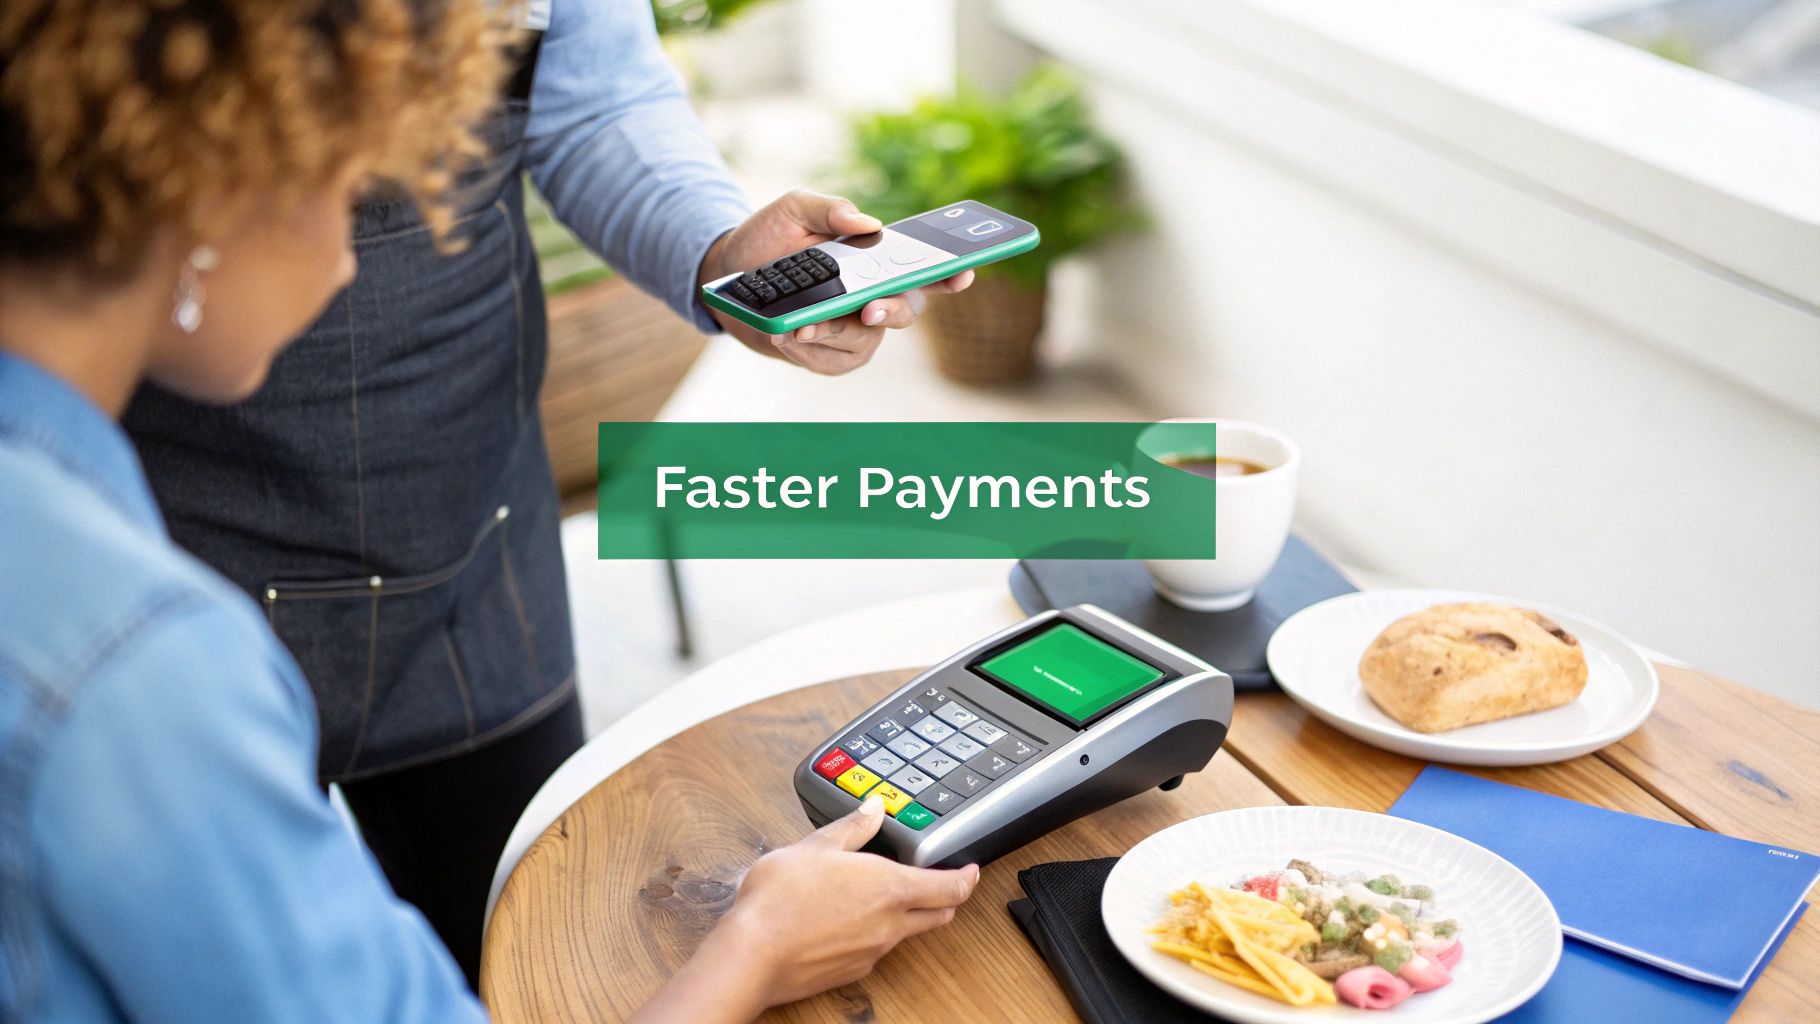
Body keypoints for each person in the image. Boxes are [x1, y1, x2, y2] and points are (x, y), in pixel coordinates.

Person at [0, 1, 978, 1021]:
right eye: (350, 184)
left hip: (467, 539)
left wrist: (727, 255)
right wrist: (756, 949)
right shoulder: (146, 670)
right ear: (208, 192)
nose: (357, 258)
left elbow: (596, 98)